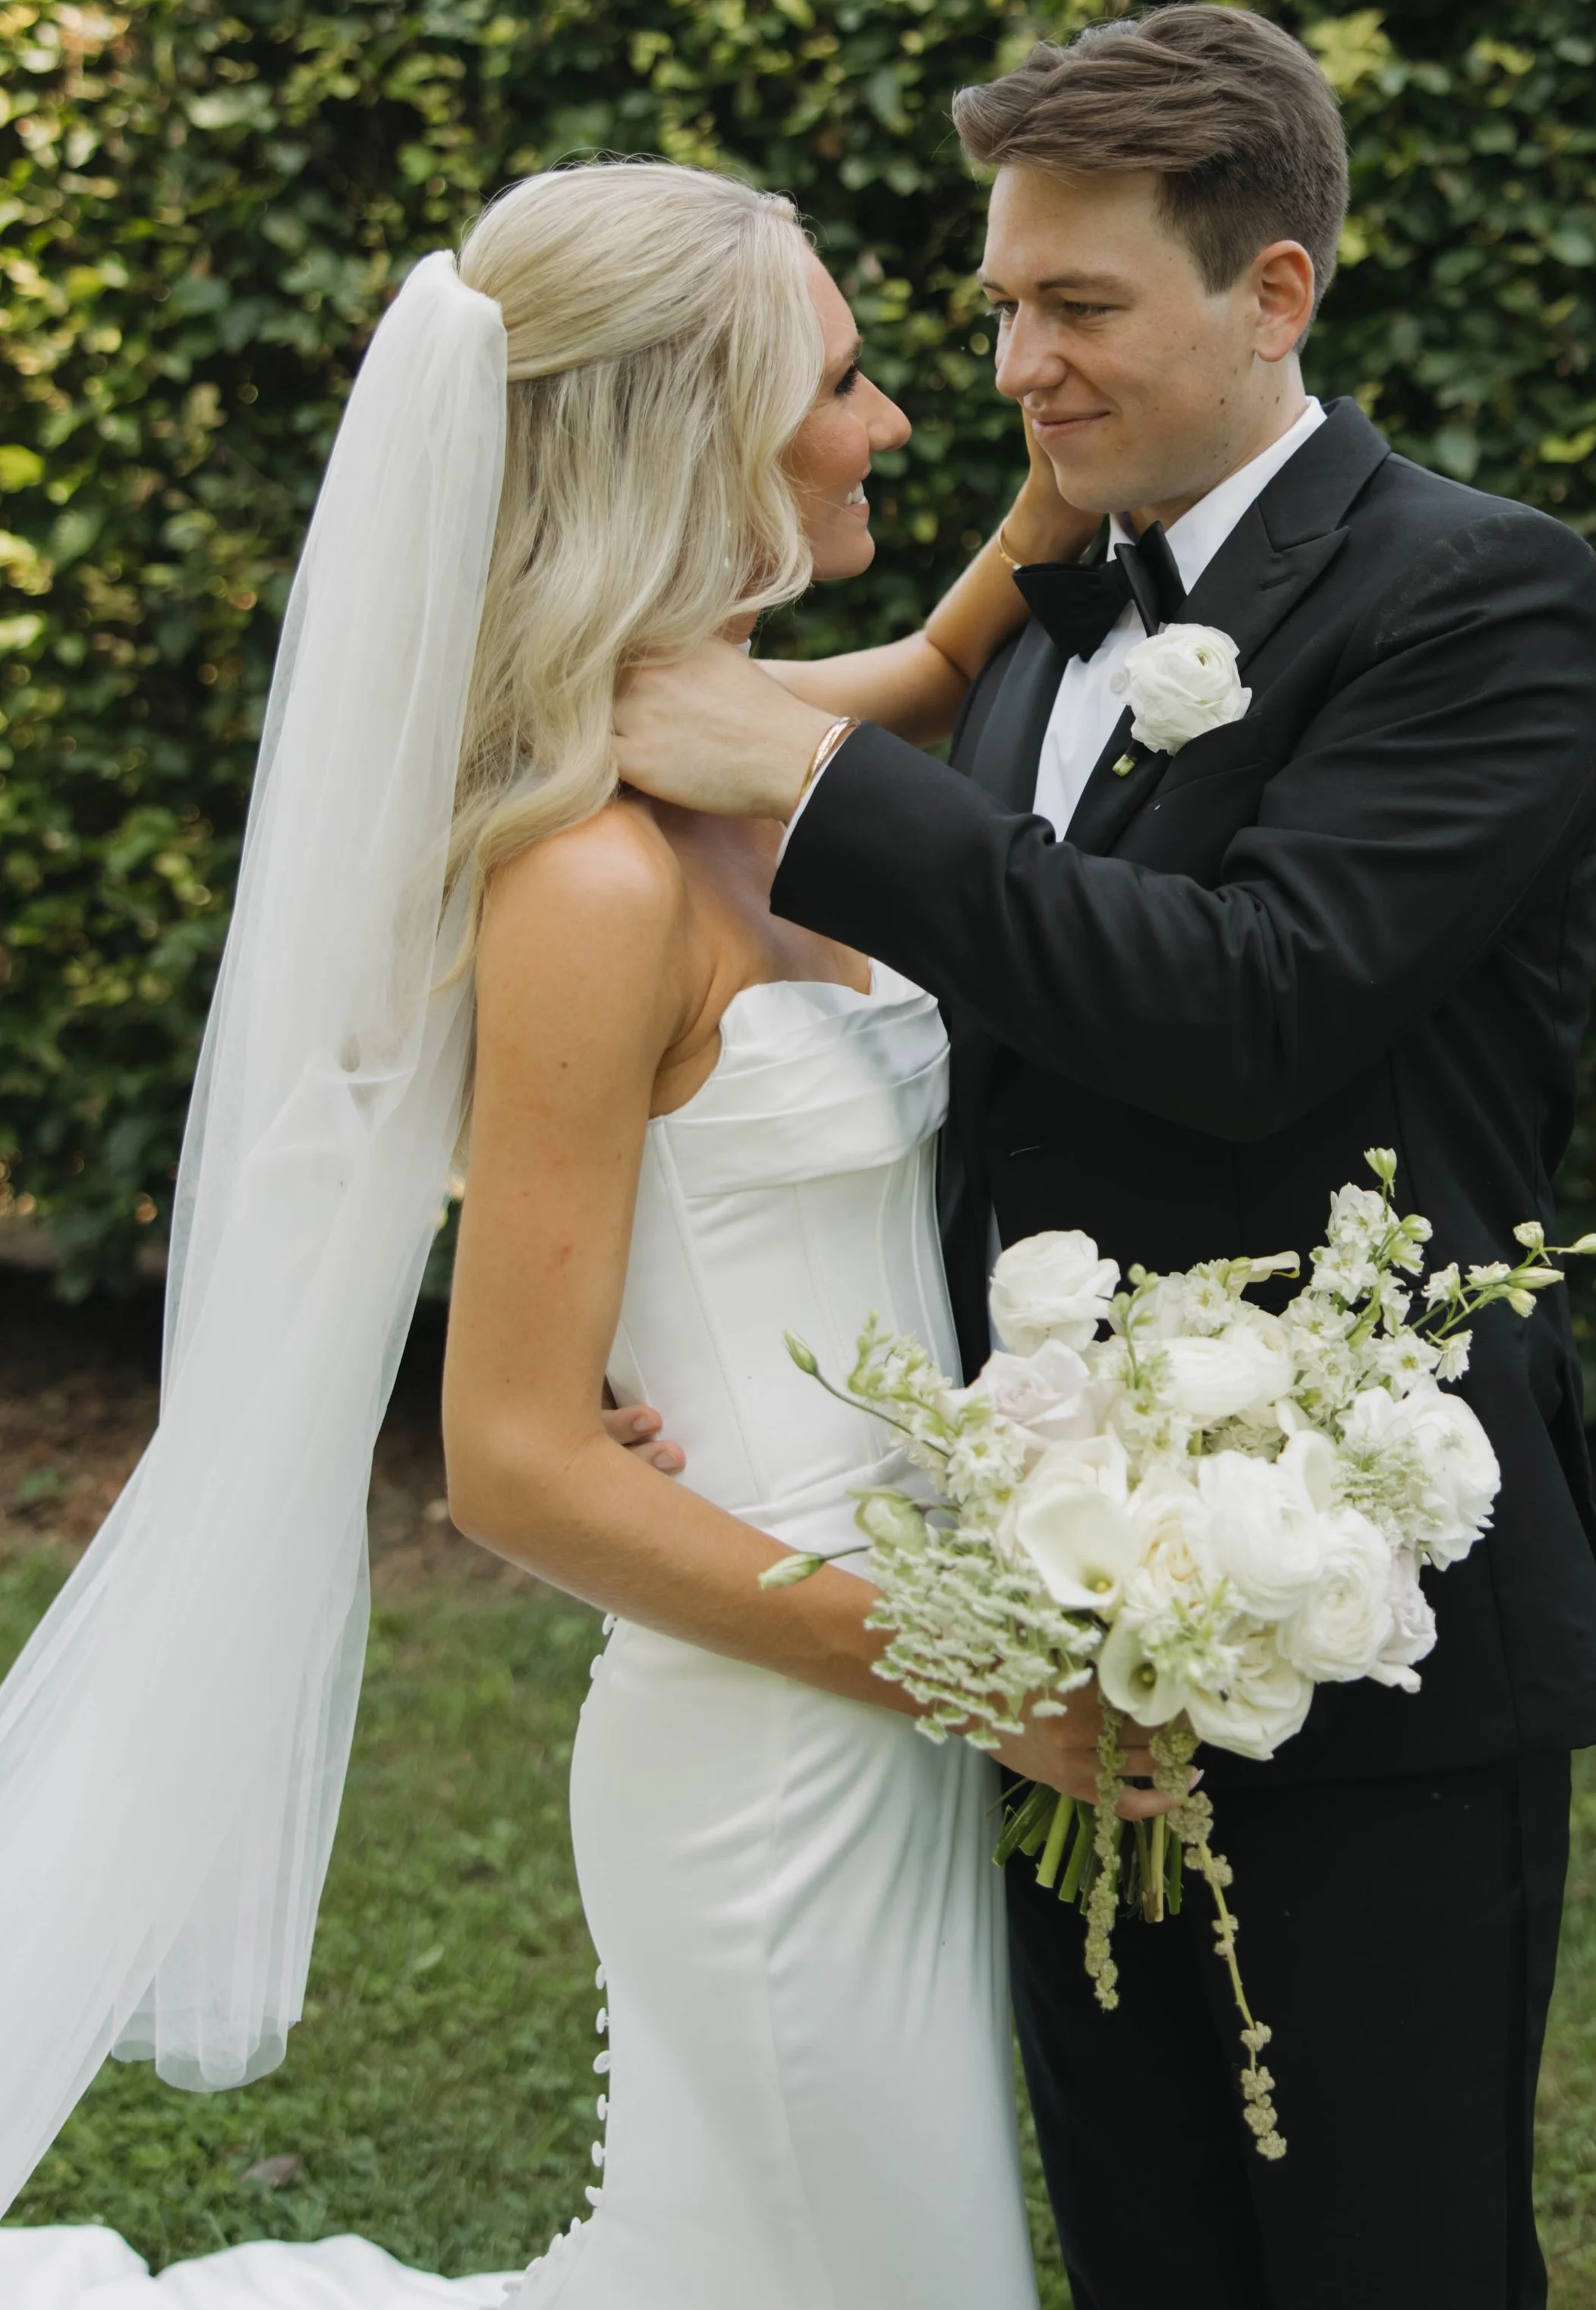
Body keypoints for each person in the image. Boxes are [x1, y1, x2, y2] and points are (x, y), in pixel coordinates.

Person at [0, 159, 1143, 2309]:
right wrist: (969, 1667)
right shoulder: (592, 880)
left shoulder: (746, 747)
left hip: (899, 1698)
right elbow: (512, 1457)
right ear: (698, 438)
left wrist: (1037, 534)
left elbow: (910, 667)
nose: (896, 418)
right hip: (781, 1720)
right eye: (843, 377)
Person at [609, 4, 1596, 2310]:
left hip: (1369, 1606)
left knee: (1386, 2259)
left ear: (1272, 293)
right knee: (1147, 2241)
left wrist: (796, 779)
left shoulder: (1477, 594)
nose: (1015, 366)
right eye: (997, 304)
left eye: (1077, 306)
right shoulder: (1036, 620)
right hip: (1048, 1607)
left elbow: (1246, 1005)